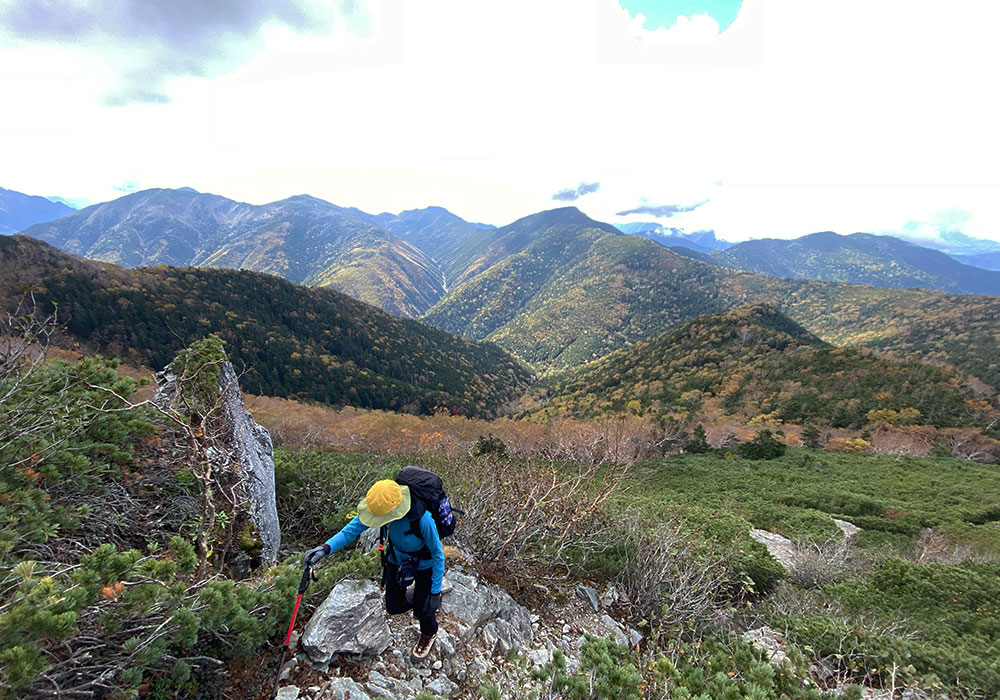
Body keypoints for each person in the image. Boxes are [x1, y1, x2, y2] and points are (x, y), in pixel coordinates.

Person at [304, 478, 444, 660]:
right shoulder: (380, 506)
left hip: (425, 564)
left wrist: (435, 593)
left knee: (424, 610)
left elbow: (438, 555)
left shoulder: (423, 519)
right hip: (396, 559)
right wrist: (325, 548)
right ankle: (418, 599)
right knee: (393, 607)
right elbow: (349, 531)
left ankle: (429, 632)